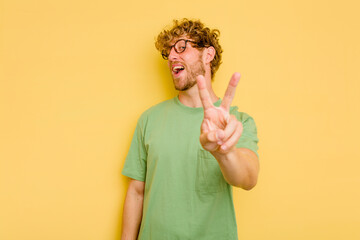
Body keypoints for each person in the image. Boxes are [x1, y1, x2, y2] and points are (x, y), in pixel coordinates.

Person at [121, 18, 260, 240]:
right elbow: (136, 192)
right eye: (168, 53)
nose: (172, 56)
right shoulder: (149, 119)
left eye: (181, 47)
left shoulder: (238, 122)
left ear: (208, 54)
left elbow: (248, 179)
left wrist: (224, 151)